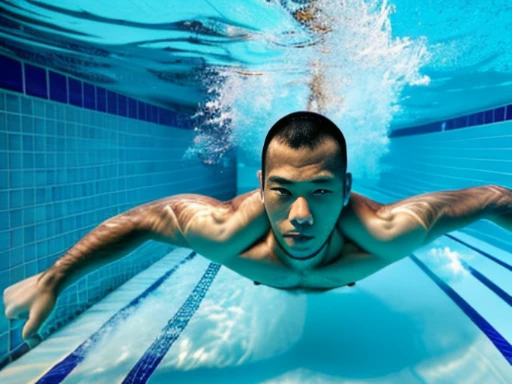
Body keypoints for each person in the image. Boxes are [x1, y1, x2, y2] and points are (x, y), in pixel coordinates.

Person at [3, 111, 512, 342]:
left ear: (347, 187)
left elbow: (494, 199)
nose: (301, 217)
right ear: (261, 183)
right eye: (283, 192)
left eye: (320, 193)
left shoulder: (389, 229)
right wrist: (55, 279)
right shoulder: (223, 229)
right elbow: (142, 221)